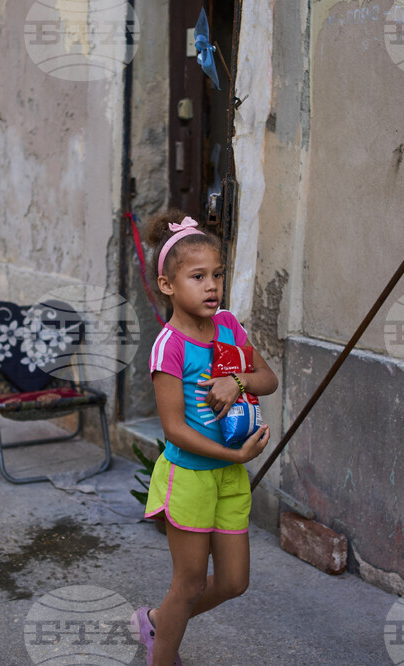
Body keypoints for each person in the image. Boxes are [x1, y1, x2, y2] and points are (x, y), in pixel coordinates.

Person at [130, 210, 277, 665]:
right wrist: (234, 456)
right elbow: (173, 429)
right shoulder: (169, 346)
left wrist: (238, 381)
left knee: (234, 582)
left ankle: (159, 621)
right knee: (190, 583)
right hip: (190, 478)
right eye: (198, 277)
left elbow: (268, 378)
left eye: (217, 274)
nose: (211, 286)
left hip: (229, 477)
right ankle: (163, 653)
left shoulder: (229, 326)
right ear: (168, 285)